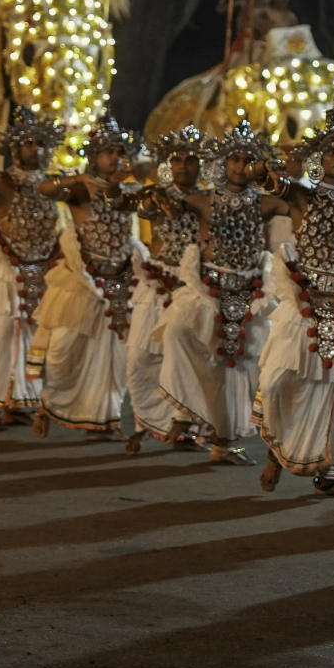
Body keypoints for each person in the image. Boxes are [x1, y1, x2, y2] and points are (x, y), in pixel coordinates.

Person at [252, 111, 334, 493]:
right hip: (302, 299)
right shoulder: (303, 195)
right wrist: (263, 165)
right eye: (332, 150)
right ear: (319, 157)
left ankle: (331, 474)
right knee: (278, 380)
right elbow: (266, 181)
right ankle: (276, 453)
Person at [161, 124, 282, 465]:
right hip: (206, 290)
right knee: (177, 335)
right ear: (222, 163)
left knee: (241, 371)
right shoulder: (200, 199)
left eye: (249, 160)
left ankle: (224, 444)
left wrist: (275, 176)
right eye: (234, 159)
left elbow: (297, 201)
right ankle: (185, 414)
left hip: (251, 294)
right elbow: (150, 207)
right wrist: (155, 205)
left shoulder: (268, 203)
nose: (240, 166)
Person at [31, 117, 143, 438]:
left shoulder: (128, 189)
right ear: (94, 155)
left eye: (120, 152)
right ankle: (47, 405)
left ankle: (102, 420)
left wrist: (121, 183)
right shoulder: (79, 189)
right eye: (108, 152)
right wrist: (79, 177)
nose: (115, 158)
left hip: (120, 281)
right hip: (81, 281)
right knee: (62, 352)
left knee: (112, 357)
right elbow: (43, 188)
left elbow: (127, 199)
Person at [0, 108, 63, 428]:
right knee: (1, 337)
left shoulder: (53, 184)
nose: (34, 149)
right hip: (5, 272)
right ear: (14, 149)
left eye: (39, 144)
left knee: (33, 339)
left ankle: (18, 400)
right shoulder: (2, 181)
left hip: (42, 271)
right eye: (27, 144)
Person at [131, 127, 203, 453]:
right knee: (139, 357)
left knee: (186, 358)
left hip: (194, 286)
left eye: (191, 159)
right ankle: (145, 421)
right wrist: (152, 200)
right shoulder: (156, 194)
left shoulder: (211, 199)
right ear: (168, 164)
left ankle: (186, 426)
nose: (184, 166)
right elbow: (144, 209)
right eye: (177, 160)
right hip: (157, 280)